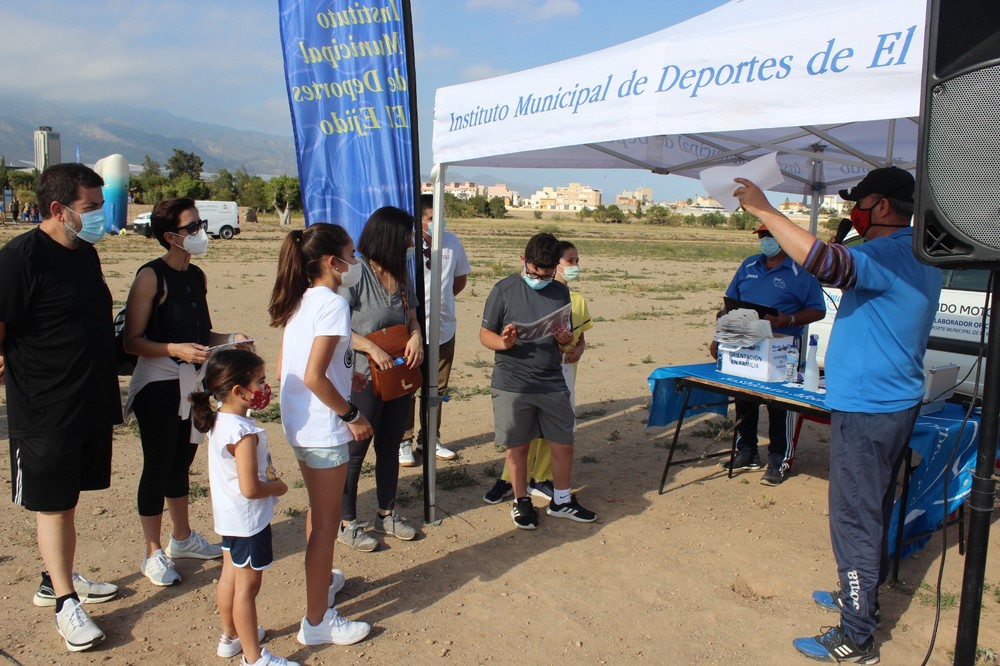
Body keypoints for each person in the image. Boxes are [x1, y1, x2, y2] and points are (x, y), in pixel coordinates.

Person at [734, 167, 941, 663]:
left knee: (854, 518)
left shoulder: (886, 253)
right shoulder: (918, 251)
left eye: (859, 203)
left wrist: (764, 209)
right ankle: (860, 596)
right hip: (892, 401)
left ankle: (856, 634)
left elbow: (826, 263)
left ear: (882, 206)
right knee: (874, 507)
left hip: (869, 408)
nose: (854, 211)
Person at [0, 163, 122, 651]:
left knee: (68, 499)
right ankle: (65, 603)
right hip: (44, 409)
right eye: (90, 207)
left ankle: (57, 578)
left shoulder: (85, 253)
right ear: (58, 208)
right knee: (51, 505)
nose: (99, 215)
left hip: (88, 400)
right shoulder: (20, 259)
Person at [123, 197, 251, 587]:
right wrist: (173, 349)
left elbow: (202, 334)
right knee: (158, 464)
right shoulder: (151, 277)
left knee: (181, 463)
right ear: (170, 236)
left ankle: (181, 538)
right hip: (158, 384)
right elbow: (131, 341)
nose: (201, 232)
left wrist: (231, 338)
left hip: (193, 385)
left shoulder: (196, 275)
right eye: (192, 227)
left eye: (201, 224)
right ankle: (152, 551)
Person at [268, 222, 372, 646]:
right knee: (328, 524)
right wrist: (351, 412)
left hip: (300, 423)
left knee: (319, 513)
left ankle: (322, 582)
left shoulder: (302, 299)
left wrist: (345, 379)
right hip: (323, 429)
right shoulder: (333, 304)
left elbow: (287, 368)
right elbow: (313, 375)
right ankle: (317, 621)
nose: (355, 261)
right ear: (332, 262)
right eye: (351, 254)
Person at [480, 232, 597, 529]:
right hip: (512, 383)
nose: (540, 279)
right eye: (534, 273)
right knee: (518, 446)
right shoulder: (503, 289)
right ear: (523, 260)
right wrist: (504, 342)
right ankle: (521, 501)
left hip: (551, 380)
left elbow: (566, 341)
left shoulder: (560, 292)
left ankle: (561, 501)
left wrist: (566, 339)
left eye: (547, 275)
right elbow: (485, 334)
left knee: (563, 443)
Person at [189, 350, 297, 666]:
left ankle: (231, 636)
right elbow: (251, 488)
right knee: (247, 590)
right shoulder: (243, 433)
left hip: (229, 518)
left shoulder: (219, 420)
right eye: (260, 381)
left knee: (230, 578)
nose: (265, 387)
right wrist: (278, 487)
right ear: (239, 390)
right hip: (248, 521)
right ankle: (253, 657)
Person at [708, 224, 826, 485]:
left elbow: (818, 310)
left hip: (782, 349)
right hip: (745, 343)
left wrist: (789, 319)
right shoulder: (749, 265)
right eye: (762, 236)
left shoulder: (801, 272)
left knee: (779, 404)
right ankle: (747, 451)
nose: (765, 241)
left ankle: (778, 460)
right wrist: (719, 337)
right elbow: (729, 305)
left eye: (770, 236)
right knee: (744, 397)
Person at [339, 207, 423, 551]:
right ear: (391, 238)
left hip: (397, 377)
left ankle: (386, 514)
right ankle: (346, 522)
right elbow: (336, 326)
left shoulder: (402, 276)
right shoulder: (356, 273)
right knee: (355, 451)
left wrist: (416, 336)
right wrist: (371, 348)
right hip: (362, 379)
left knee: (389, 447)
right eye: (408, 237)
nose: (413, 243)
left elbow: (412, 318)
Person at [398, 193, 470, 466]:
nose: (438, 222)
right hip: (409, 329)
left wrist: (442, 302)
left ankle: (429, 438)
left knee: (436, 388)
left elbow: (459, 280)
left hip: (443, 327)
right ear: (419, 219)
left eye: (441, 216)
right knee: (407, 386)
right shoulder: (407, 244)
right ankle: (404, 441)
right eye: (431, 217)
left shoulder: (452, 242)